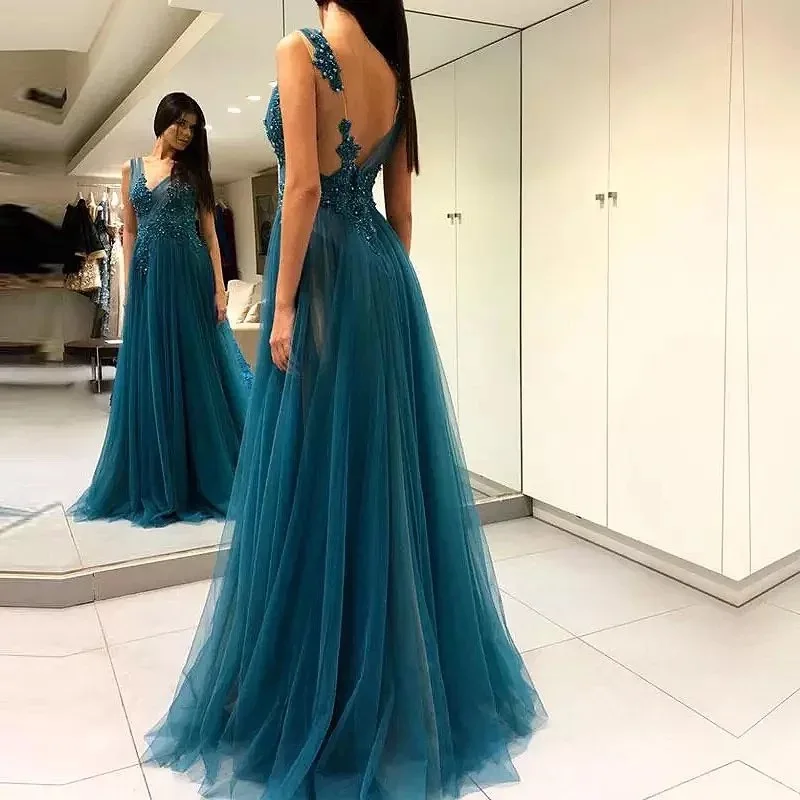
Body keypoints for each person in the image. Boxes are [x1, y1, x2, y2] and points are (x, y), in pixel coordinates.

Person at [145, 3, 545, 798]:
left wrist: (285, 305)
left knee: (313, 470)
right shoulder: (394, 73)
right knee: (382, 469)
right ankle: (396, 669)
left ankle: (320, 675)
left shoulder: (301, 49)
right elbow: (402, 214)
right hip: (386, 282)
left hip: (324, 275)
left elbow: (301, 190)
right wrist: (379, 293)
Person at [71, 93, 253, 529]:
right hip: (149, 282)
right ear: (163, 120)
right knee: (153, 371)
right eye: (180, 123)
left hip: (189, 275)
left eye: (193, 127)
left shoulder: (194, 173)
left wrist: (220, 289)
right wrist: (131, 287)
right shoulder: (130, 170)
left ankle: (202, 472)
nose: (186, 133)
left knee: (195, 369)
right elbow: (130, 232)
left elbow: (210, 236)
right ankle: (161, 476)